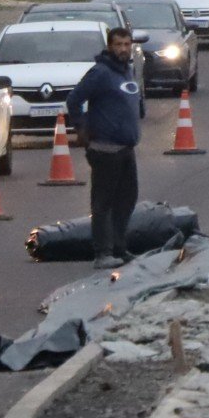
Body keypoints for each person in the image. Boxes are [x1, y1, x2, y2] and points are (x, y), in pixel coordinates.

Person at [65, 27, 145, 265]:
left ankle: (119, 248)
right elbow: (74, 100)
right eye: (118, 44)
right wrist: (81, 129)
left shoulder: (127, 70)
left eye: (127, 44)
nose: (123, 49)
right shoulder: (100, 73)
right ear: (110, 46)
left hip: (126, 148)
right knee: (103, 203)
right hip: (104, 149)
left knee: (127, 199)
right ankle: (103, 253)